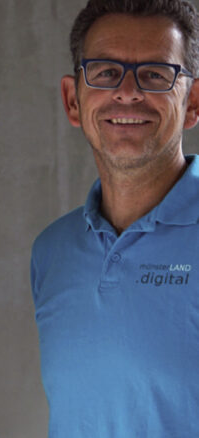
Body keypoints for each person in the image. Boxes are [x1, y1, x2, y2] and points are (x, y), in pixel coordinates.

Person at [31, 0, 199, 436]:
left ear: (193, 102)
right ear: (73, 100)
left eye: (155, 74)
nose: (128, 92)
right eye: (105, 72)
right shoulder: (52, 252)